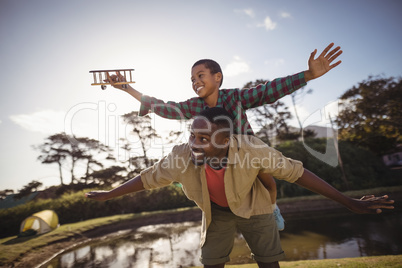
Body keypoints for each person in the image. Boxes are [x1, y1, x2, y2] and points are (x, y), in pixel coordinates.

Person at [86, 107, 394, 268]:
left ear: (225, 140)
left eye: (203, 139)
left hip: (255, 208)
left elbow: (298, 174)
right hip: (216, 213)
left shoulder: (251, 150)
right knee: (211, 262)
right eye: (193, 135)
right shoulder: (181, 155)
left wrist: (347, 202)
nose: (194, 143)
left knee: (268, 261)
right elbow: (148, 177)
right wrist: (109, 193)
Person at [104, 43, 343, 231]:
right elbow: (165, 107)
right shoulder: (194, 106)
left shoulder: (236, 98)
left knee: (268, 182)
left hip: (245, 154)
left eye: (201, 76)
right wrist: (127, 89)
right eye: (192, 80)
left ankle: (272, 208)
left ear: (217, 77)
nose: (196, 82)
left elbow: (269, 90)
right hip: (216, 158)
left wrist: (307, 75)